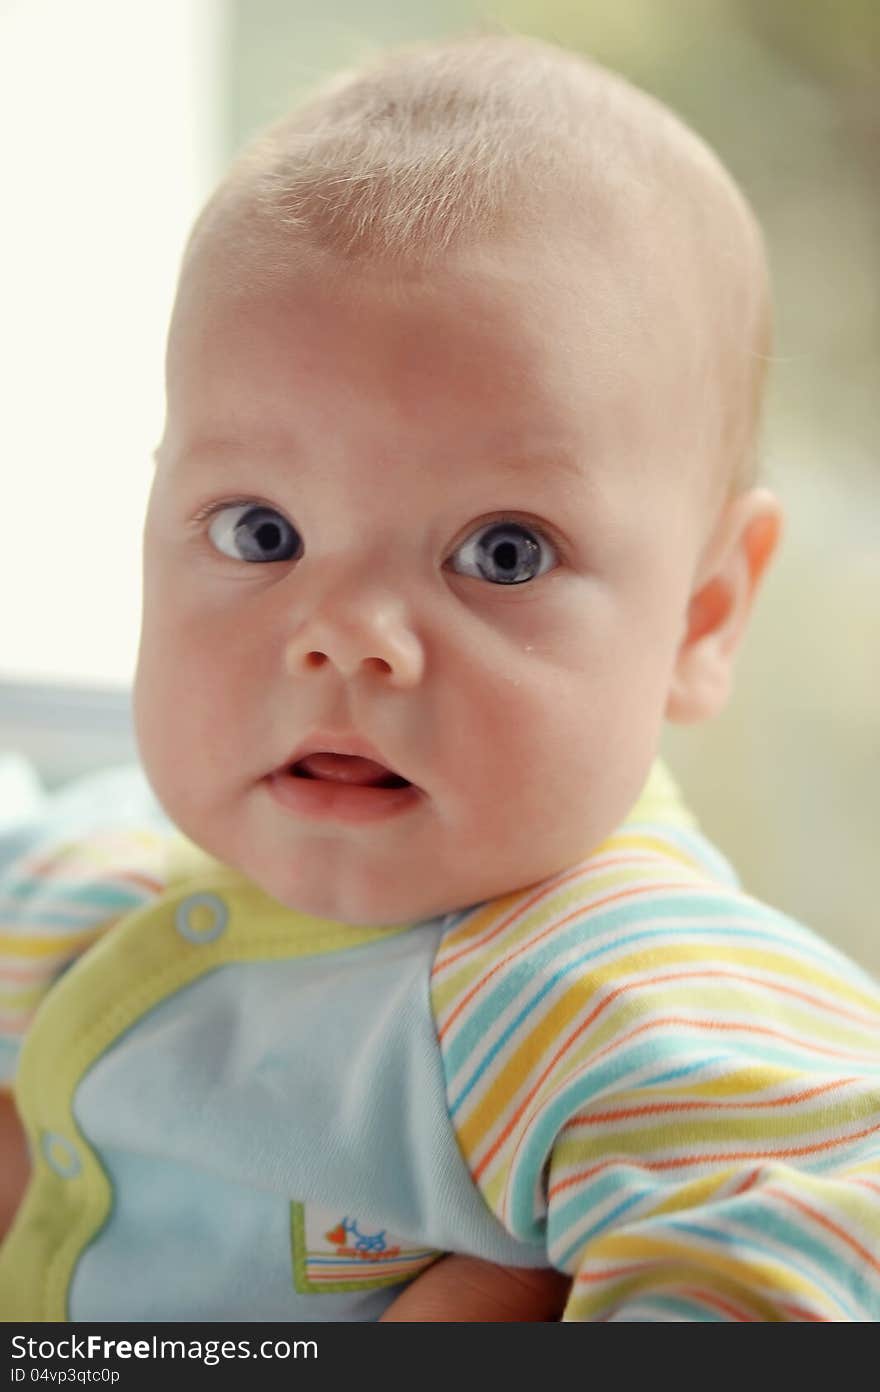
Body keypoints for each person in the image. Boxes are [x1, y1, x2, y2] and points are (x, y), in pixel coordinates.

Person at [1, 33, 878, 1323]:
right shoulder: (95, 866)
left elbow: (812, 1219)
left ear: (702, 615)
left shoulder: (609, 990)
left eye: (501, 554)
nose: (347, 638)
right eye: (261, 531)